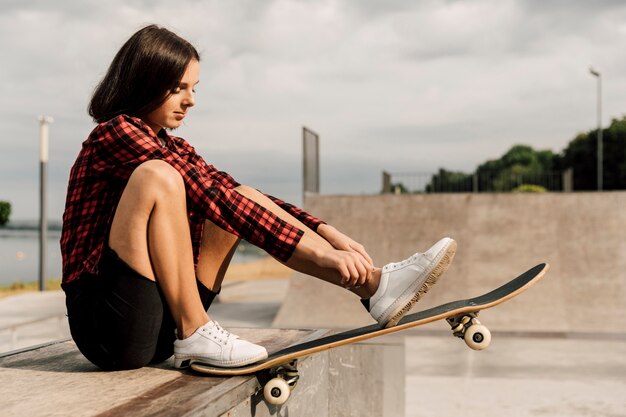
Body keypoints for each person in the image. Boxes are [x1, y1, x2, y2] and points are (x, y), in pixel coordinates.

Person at [60, 24, 457, 372]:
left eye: (194, 88)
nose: (191, 100)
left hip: (159, 327)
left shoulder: (175, 147)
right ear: (145, 82)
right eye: (178, 87)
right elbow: (208, 195)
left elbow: (235, 196)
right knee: (159, 178)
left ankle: (373, 288)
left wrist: (326, 231)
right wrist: (323, 256)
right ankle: (196, 330)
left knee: (236, 195)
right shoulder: (114, 134)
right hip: (108, 330)